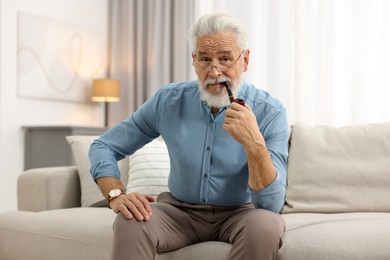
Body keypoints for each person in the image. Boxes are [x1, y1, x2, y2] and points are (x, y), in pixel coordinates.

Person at [89, 12, 289, 260]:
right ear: (194, 61)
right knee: (129, 221)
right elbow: (104, 146)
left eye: (225, 59)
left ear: (245, 60)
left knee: (266, 225)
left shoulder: (270, 111)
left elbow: (271, 206)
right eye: (205, 60)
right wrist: (116, 196)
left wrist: (254, 142)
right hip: (179, 213)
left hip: (242, 213)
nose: (215, 72)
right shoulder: (168, 101)